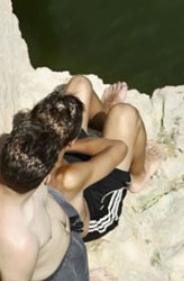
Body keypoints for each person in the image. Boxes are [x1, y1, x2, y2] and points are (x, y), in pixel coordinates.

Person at [28, 77, 160, 242]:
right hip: (95, 205)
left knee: (80, 83)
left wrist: (60, 144)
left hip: (62, 155)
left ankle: (106, 116)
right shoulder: (67, 178)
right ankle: (138, 176)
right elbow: (118, 149)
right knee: (125, 114)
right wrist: (67, 145)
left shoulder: (27, 149)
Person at [0, 119, 114, 281]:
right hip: (58, 272)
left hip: (67, 233)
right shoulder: (18, 242)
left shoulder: (16, 162)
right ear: (46, 176)